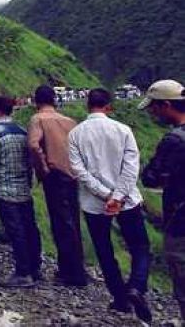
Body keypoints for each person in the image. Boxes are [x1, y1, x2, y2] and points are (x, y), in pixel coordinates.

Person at [69, 88, 151, 322]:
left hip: (94, 204)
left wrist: (105, 195)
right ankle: (136, 286)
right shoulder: (123, 130)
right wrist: (118, 196)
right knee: (140, 247)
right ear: (109, 106)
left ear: (88, 106)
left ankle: (120, 299)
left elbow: (79, 172)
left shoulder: (76, 134)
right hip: (127, 201)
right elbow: (132, 167)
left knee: (105, 251)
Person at [27, 85, 89, 286]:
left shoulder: (38, 119)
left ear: (37, 101)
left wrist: (42, 168)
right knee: (73, 222)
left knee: (61, 224)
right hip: (73, 176)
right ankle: (76, 269)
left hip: (55, 176)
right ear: (54, 100)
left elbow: (33, 145)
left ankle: (72, 274)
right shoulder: (69, 121)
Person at [140, 79, 185, 323]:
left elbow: (150, 177)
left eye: (154, 108)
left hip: (180, 222)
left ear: (167, 105)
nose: (153, 113)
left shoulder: (174, 140)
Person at [0, 96, 42, 287]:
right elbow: (29, 163)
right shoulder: (22, 131)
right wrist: (28, 183)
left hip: (5, 190)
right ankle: (36, 268)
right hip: (23, 190)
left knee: (15, 231)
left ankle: (22, 272)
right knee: (30, 229)